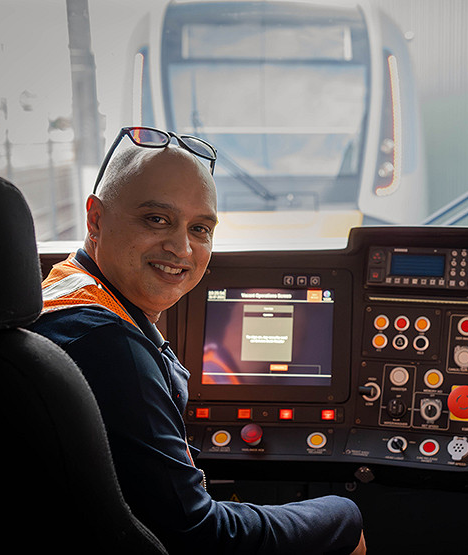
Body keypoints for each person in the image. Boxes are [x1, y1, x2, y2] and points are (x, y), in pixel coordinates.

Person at [30, 127, 366, 555]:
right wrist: (343, 517)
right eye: (157, 219)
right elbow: (199, 537)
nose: (181, 248)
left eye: (200, 228)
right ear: (96, 219)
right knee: (342, 518)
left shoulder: (60, 292)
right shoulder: (109, 344)